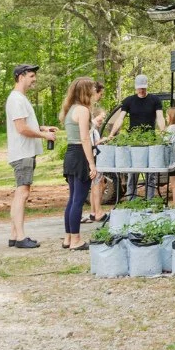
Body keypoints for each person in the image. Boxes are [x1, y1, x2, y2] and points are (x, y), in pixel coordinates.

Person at [5, 63, 57, 249]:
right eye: (32, 76)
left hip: (25, 152)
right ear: (21, 76)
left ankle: (14, 235)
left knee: (21, 192)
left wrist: (42, 128)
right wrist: (44, 135)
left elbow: (25, 124)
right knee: (23, 192)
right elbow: (21, 128)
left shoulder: (20, 99)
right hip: (22, 153)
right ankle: (20, 237)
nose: (35, 79)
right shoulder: (17, 99)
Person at [104, 74, 165, 199]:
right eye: (139, 88)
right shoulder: (129, 101)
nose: (141, 90)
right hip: (133, 141)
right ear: (136, 87)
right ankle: (131, 200)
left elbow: (160, 117)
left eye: (143, 88)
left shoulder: (155, 100)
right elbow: (120, 118)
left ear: (146, 86)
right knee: (133, 172)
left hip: (150, 140)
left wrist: (163, 132)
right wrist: (112, 134)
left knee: (151, 173)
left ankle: (150, 200)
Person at [58, 76, 97, 250]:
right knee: (78, 200)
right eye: (93, 89)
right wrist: (91, 163)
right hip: (80, 154)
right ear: (86, 91)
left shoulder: (70, 109)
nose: (95, 92)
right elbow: (84, 138)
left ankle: (68, 238)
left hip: (70, 154)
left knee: (72, 199)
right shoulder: (82, 110)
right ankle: (76, 240)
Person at [86, 81, 107, 224]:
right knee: (96, 184)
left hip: (95, 158)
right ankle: (95, 211)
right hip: (92, 158)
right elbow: (90, 143)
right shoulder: (90, 126)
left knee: (99, 184)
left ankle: (94, 211)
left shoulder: (94, 128)